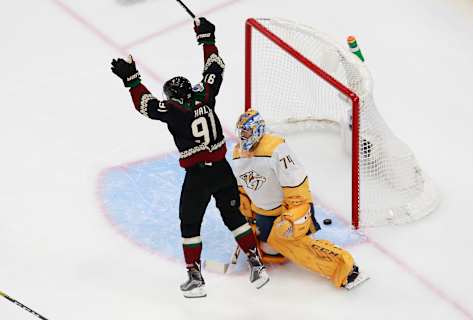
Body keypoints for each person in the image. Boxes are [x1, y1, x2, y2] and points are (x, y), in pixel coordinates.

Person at [110, 17, 269, 298]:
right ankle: (256, 264)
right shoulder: (205, 96)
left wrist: (131, 80)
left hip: (198, 177)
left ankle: (195, 277)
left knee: (189, 222)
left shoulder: (171, 110)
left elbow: (144, 104)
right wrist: (206, 38)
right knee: (233, 215)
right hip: (222, 170)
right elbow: (214, 68)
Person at [232, 109, 368, 290]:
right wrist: (246, 210)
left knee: (298, 248)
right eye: (240, 133)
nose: (243, 137)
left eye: (246, 132)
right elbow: (243, 187)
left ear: (257, 130)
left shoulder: (275, 148)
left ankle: (346, 268)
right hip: (262, 213)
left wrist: (294, 215)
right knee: (271, 253)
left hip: (285, 212)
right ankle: (283, 242)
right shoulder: (237, 154)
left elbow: (296, 183)